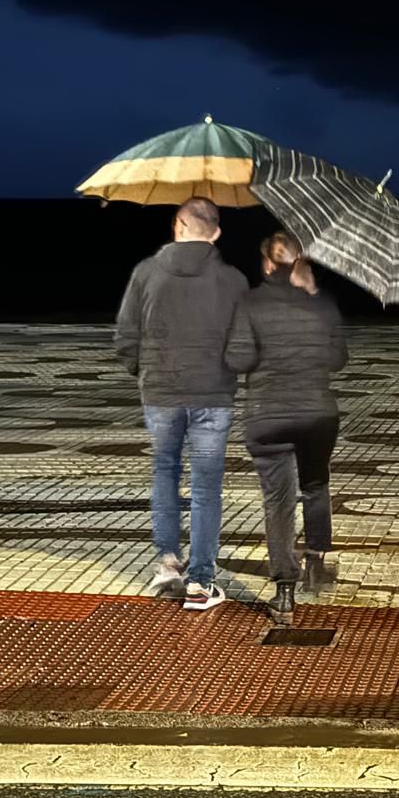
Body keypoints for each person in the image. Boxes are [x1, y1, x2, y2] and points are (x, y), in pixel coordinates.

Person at [115, 197, 248, 610]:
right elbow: (244, 347)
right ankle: (201, 582)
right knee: (207, 487)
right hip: (212, 395)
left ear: (178, 225)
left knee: (164, 474)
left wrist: (146, 371)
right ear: (217, 232)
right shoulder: (234, 280)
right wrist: (228, 371)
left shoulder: (146, 273)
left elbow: (125, 337)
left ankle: (168, 562)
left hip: (160, 394)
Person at [225, 232, 349, 624]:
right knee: (315, 483)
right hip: (317, 414)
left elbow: (238, 359)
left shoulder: (249, 302)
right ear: (299, 262)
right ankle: (317, 557)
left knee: (277, 501)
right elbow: (337, 360)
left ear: (266, 264)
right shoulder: (323, 304)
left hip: (269, 417)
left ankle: (284, 591)